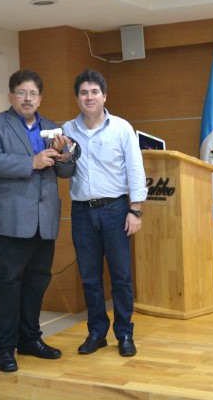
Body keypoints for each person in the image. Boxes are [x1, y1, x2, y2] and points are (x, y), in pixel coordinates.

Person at [0, 69, 67, 372]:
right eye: (21, 92)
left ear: (40, 98)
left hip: (44, 223)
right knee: (6, 286)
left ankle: (30, 339)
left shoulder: (53, 128)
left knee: (35, 285)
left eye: (33, 94)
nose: (27, 98)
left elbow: (66, 172)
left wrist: (65, 153)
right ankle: (3, 348)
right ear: (11, 96)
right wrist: (32, 161)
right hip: (8, 221)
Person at [61, 69, 147, 357]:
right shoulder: (66, 131)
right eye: (84, 92)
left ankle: (124, 333)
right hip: (82, 212)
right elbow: (63, 170)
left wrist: (135, 211)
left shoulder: (121, 128)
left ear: (104, 96)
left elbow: (135, 170)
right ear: (77, 98)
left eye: (94, 92)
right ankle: (97, 333)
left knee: (121, 277)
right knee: (89, 277)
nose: (89, 97)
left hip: (116, 210)